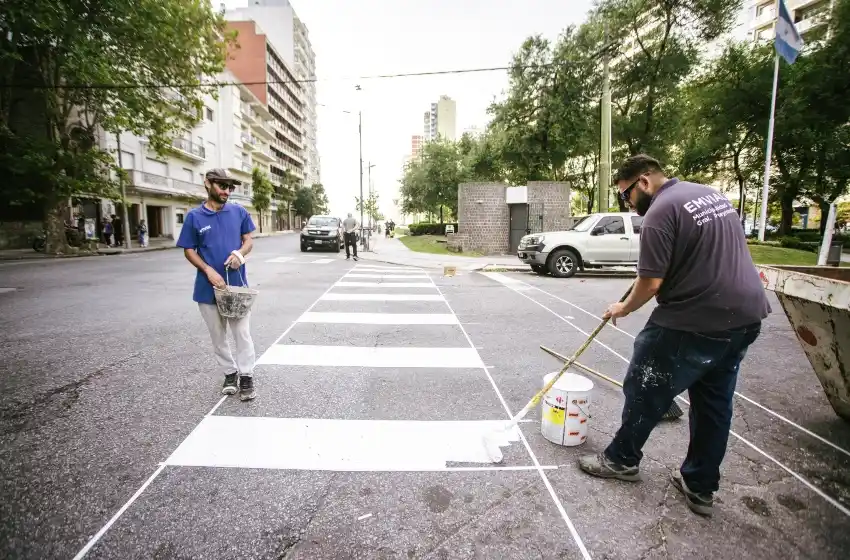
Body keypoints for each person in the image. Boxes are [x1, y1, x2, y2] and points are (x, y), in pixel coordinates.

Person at [577, 154, 770, 518]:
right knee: (714, 404)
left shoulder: (660, 212)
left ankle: (622, 460)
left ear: (644, 182)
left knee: (644, 377)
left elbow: (650, 283)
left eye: (626, 195)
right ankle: (700, 487)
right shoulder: (709, 194)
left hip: (696, 317)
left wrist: (624, 308)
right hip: (745, 317)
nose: (628, 204)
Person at [176, 168, 258, 401]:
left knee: (242, 333)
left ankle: (246, 375)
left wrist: (239, 254)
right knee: (218, 336)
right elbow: (189, 249)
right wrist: (208, 270)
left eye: (230, 187)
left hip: (236, 288)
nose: (227, 191)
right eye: (222, 186)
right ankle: (229, 373)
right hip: (207, 287)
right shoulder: (194, 217)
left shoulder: (239, 212)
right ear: (208, 184)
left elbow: (248, 240)